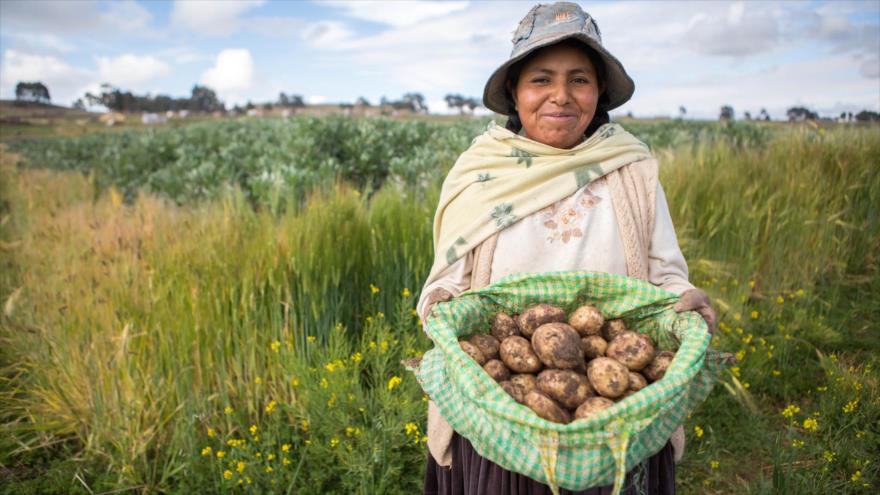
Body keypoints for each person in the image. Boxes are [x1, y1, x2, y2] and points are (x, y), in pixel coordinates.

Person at [417, 3, 717, 495]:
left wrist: (686, 299)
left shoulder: (632, 169)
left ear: (598, 93)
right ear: (515, 91)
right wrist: (446, 312)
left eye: (579, 79)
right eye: (541, 79)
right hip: (501, 420)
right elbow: (445, 285)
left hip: (613, 428)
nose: (560, 96)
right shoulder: (480, 173)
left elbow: (666, 278)